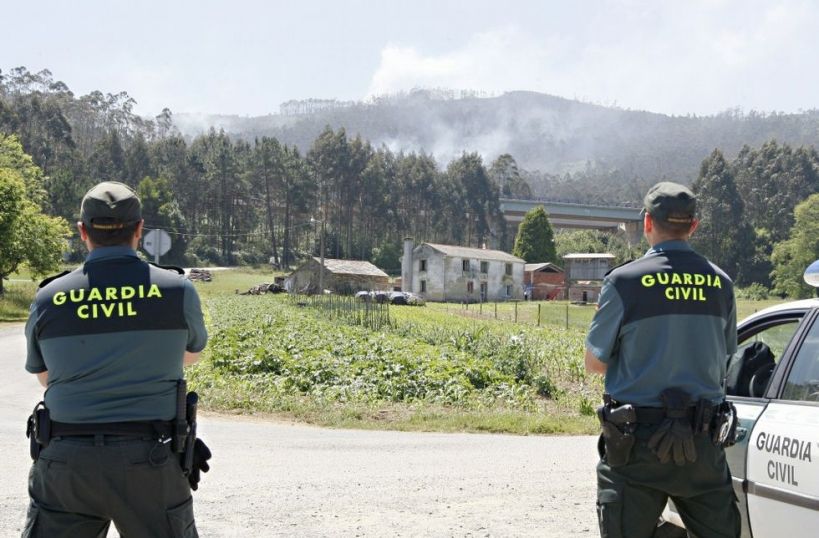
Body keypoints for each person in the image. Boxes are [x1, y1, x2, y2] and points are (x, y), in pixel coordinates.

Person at [22, 181, 209, 537]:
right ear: (139, 229)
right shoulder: (176, 289)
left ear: (82, 232)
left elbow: (45, 377)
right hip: (150, 460)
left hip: (66, 463)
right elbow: (192, 354)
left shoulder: (49, 297)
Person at [585, 182, 740, 538]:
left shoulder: (623, 282)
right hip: (703, 443)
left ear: (647, 222)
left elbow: (594, 363)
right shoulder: (721, 284)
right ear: (693, 226)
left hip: (635, 442)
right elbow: (726, 353)